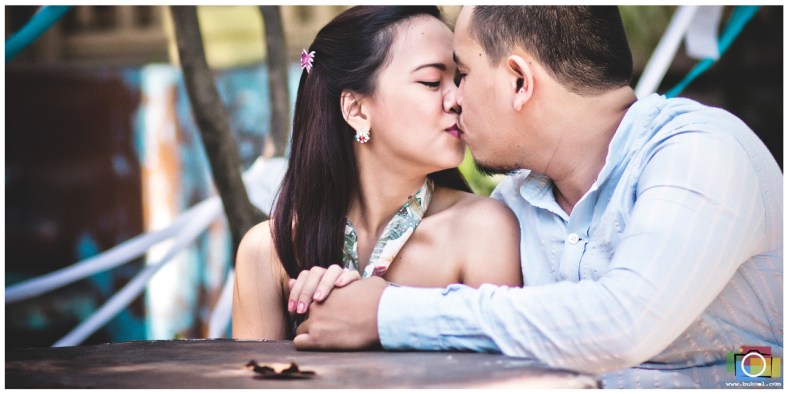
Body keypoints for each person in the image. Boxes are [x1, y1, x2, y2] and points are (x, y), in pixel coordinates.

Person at [293, 6, 783, 389]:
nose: (454, 99)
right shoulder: (514, 206)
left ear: (520, 81)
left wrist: (386, 313)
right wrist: (339, 291)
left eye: (461, 74)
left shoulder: (700, 152)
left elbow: (622, 323)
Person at [232, 6, 522, 340]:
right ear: (356, 110)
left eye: (458, 78)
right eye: (431, 81)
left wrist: (381, 318)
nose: (457, 99)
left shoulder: (483, 230)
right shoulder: (268, 252)